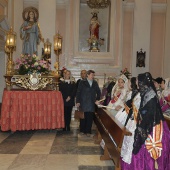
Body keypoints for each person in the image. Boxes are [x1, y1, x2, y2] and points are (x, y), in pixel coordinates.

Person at [121, 72, 170, 170]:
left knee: (145, 153)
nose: (137, 83)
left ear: (143, 82)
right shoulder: (145, 93)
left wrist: (140, 131)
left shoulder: (150, 96)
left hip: (152, 128)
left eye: (139, 81)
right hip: (144, 124)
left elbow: (149, 115)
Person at [76, 70, 101, 137]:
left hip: (91, 103)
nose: (93, 76)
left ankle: (88, 131)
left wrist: (97, 99)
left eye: (93, 75)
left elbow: (98, 92)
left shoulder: (95, 83)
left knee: (90, 117)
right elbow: (78, 92)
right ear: (88, 75)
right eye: (92, 75)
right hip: (83, 102)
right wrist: (77, 101)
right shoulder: (82, 82)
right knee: (83, 117)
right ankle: (82, 131)